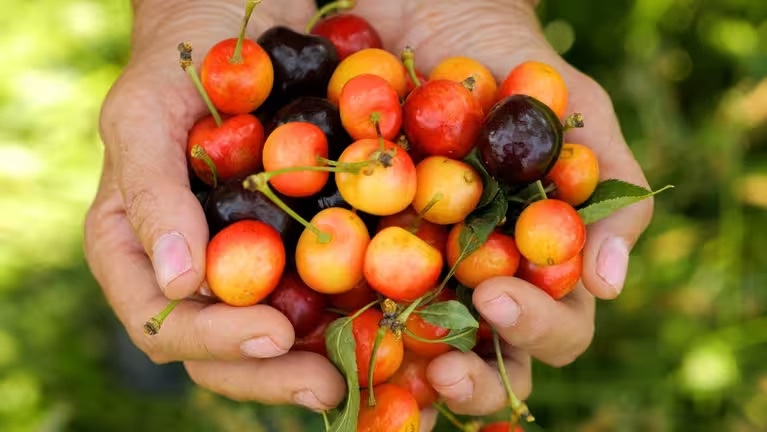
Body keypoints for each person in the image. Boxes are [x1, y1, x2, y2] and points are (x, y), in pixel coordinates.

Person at [83, 0, 654, 429]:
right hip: (237, 218)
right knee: (177, 253)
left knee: (210, 287)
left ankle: (154, 355)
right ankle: (145, 364)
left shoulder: (416, 192)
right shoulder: (333, 162)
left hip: (330, 245)